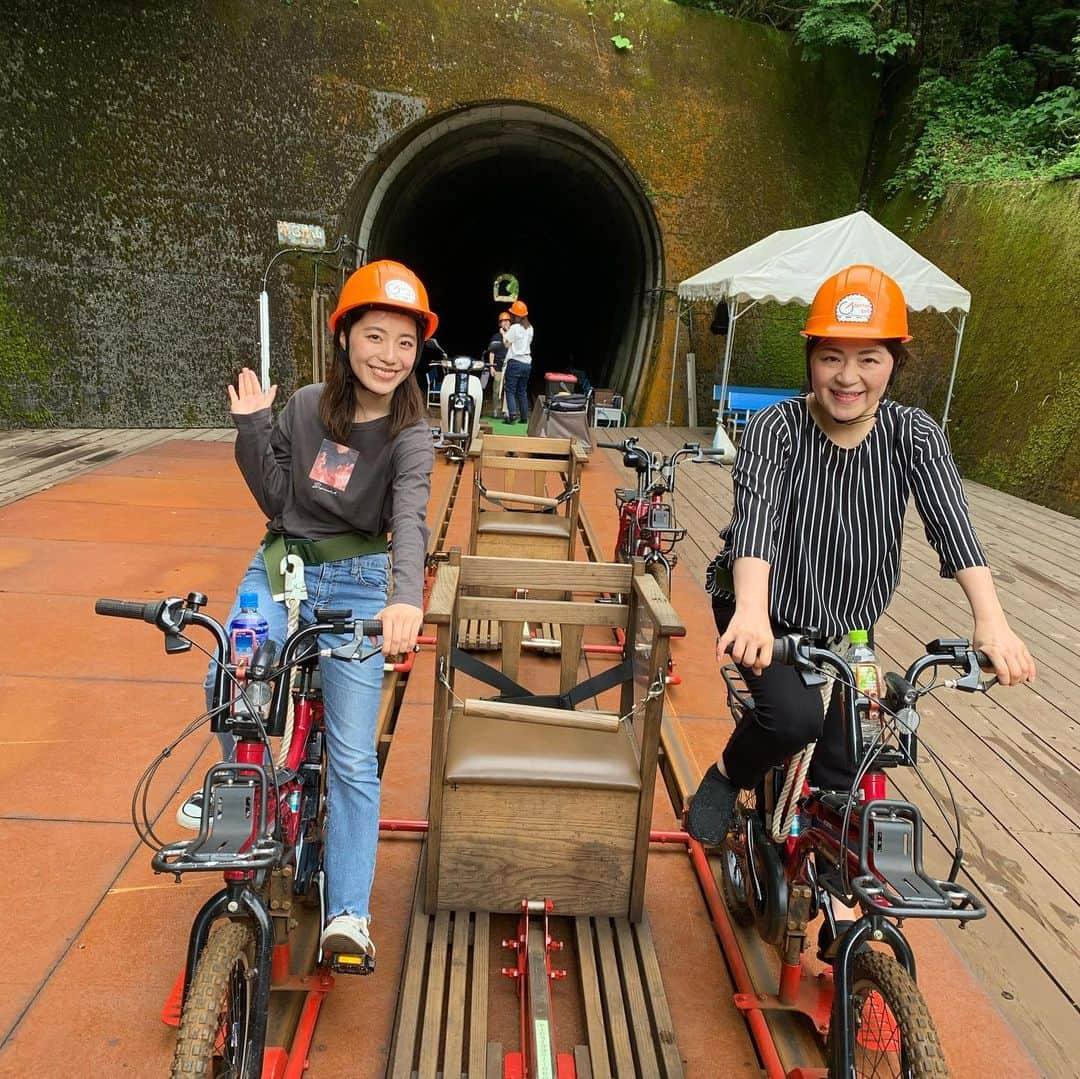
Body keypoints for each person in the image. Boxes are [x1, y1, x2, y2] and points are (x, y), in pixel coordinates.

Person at [687, 264, 1036, 844]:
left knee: (854, 744)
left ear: (895, 361)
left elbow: (955, 529)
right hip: (767, 611)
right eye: (831, 357)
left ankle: (821, 870)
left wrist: (992, 623)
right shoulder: (777, 428)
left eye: (869, 358)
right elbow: (755, 522)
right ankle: (728, 774)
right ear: (810, 359)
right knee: (793, 720)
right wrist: (751, 610)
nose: (848, 377)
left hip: (851, 624)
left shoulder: (914, 434)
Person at [178, 259, 436, 960]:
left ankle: (348, 912)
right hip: (282, 563)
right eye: (376, 336)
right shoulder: (306, 406)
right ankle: (241, 787)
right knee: (232, 679)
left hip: (359, 579)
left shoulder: (412, 433)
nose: (389, 355)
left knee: (354, 756)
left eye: (405, 343)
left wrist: (404, 599)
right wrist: (251, 424)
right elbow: (276, 497)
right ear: (346, 334)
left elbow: (409, 517)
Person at [501, 298, 533, 424]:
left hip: (515, 362)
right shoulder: (530, 328)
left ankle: (512, 416)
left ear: (517, 316)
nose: (512, 316)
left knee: (510, 390)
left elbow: (507, 345)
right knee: (522, 391)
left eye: (513, 314)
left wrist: (504, 334)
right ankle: (524, 418)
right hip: (527, 363)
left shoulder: (514, 328)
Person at [486, 311, 511, 419]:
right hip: (498, 366)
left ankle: (506, 410)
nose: (505, 323)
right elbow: (492, 352)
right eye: (503, 321)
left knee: (508, 390)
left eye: (507, 321)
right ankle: (495, 409)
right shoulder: (496, 337)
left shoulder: (512, 335)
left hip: (510, 367)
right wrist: (491, 366)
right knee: (496, 390)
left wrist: (505, 335)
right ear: (500, 324)